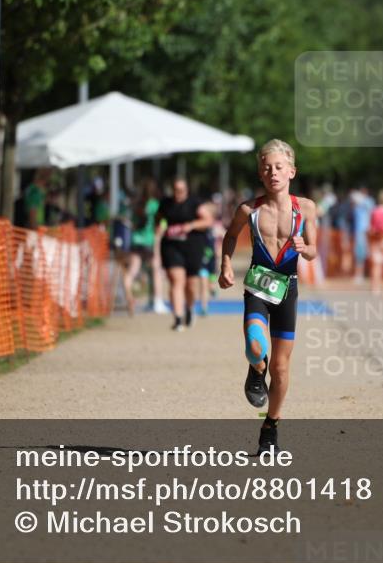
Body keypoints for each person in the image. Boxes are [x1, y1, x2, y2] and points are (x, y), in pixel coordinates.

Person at [219, 139, 317, 456]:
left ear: (291, 171)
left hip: (287, 287)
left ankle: (270, 426)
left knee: (282, 368)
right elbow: (230, 235)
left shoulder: (307, 208)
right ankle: (255, 368)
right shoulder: (249, 209)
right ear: (261, 174)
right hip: (258, 286)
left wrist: (306, 250)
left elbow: (314, 251)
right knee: (256, 347)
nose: (272, 172)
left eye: (278, 167)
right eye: (266, 167)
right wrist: (225, 265)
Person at [155, 178, 215, 331]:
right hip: (171, 246)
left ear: (186, 190)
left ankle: (189, 308)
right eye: (175, 190)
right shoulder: (166, 203)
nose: (178, 193)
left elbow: (208, 221)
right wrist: (160, 228)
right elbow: (158, 218)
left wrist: (190, 225)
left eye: (181, 190)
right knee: (176, 280)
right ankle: (178, 318)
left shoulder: (195, 204)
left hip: (193, 246)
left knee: (191, 285)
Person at [128, 178, 169, 315]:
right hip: (150, 241)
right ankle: (157, 301)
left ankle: (131, 296)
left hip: (136, 240)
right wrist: (162, 230)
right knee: (156, 270)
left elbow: (132, 223)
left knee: (132, 271)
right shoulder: (155, 205)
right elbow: (163, 220)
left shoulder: (137, 205)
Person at [351, 187, 375, 284]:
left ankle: (364, 274)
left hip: (366, 231)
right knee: (360, 254)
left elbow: (371, 211)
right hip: (360, 231)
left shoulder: (368, 202)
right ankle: (360, 275)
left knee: (366, 253)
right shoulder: (357, 205)